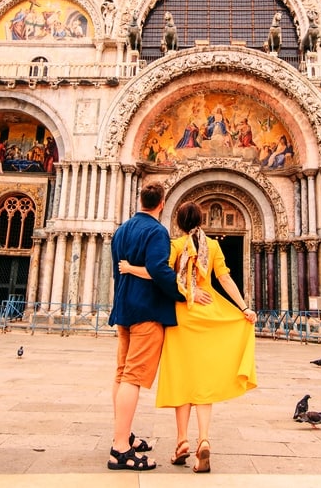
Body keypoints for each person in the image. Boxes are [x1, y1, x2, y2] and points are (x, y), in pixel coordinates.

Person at [119, 201, 257, 473]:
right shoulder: (214, 247)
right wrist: (244, 307)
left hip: (182, 315)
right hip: (210, 313)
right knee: (203, 381)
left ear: (178, 222)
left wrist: (129, 268)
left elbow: (158, 275)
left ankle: (181, 441)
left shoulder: (175, 246)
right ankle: (203, 439)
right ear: (202, 219)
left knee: (182, 378)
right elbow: (226, 279)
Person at [107, 183, 189, 471]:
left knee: (121, 374)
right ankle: (120, 450)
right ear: (162, 203)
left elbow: (118, 268)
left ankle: (123, 434)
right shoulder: (156, 232)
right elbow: (158, 269)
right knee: (133, 377)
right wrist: (182, 292)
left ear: (140, 199)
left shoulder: (121, 230)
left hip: (124, 309)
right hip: (146, 311)